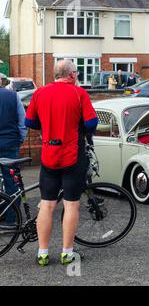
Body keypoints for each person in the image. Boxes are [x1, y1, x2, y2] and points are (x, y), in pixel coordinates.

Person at [25, 59, 98, 267]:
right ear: (72, 75)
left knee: (47, 205)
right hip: (73, 156)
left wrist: (46, 126)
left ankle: (42, 253)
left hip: (49, 155)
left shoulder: (40, 93)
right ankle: (67, 253)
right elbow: (92, 123)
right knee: (71, 204)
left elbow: (29, 122)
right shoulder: (79, 93)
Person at [0, 76, 27, 229]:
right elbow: (23, 121)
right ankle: (12, 220)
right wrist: (20, 139)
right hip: (10, 143)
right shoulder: (12, 95)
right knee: (11, 183)